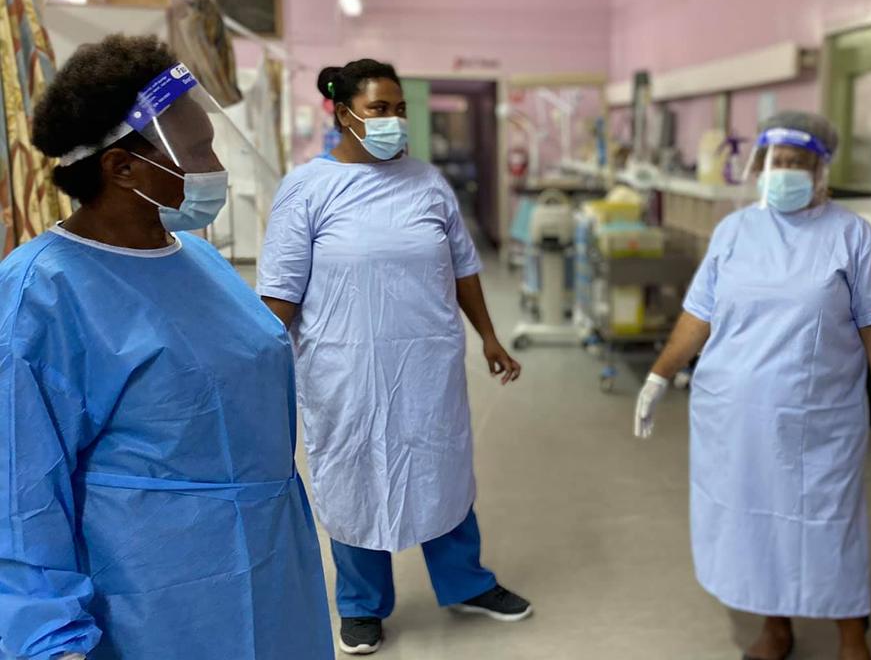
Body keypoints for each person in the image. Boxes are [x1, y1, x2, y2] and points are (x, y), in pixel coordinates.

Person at [0, 34, 332, 659]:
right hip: (159, 596)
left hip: (272, 562)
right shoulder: (40, 295)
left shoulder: (199, 260)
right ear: (121, 168)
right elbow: (19, 495)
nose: (214, 165)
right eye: (198, 150)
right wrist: (51, 640)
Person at [257, 59, 529, 656]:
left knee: (442, 469)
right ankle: (361, 605)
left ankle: (467, 583)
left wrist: (488, 334)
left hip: (426, 366)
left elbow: (462, 267)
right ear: (343, 111)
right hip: (343, 371)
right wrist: (254, 371)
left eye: (400, 109)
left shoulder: (428, 183)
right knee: (355, 476)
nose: (394, 121)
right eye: (380, 109)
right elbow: (279, 291)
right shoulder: (307, 188)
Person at [634, 111, 871, 660]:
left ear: (821, 170)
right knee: (755, 521)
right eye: (775, 162)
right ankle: (775, 625)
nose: (783, 172)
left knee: (828, 522)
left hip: (814, 418)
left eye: (797, 163)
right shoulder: (735, 230)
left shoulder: (851, 235)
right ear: (759, 166)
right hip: (734, 416)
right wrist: (658, 375)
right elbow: (700, 313)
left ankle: (850, 634)